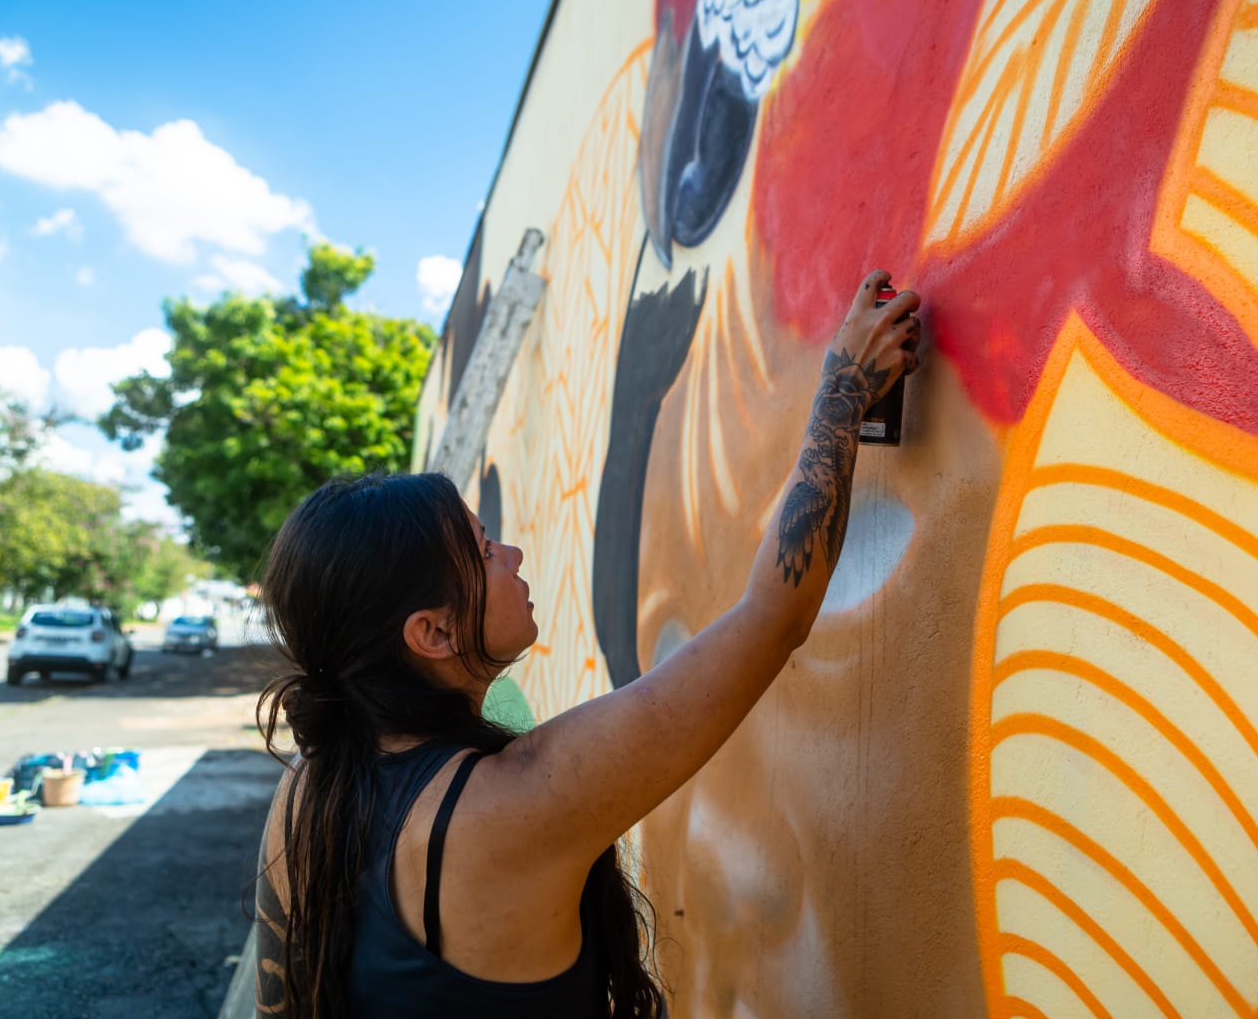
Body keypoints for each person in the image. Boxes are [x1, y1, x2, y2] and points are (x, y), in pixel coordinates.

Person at [252, 270, 923, 1018]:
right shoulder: (516, 803)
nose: (512, 556)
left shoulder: (306, 790)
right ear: (432, 633)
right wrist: (842, 392)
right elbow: (772, 618)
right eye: (482, 551)